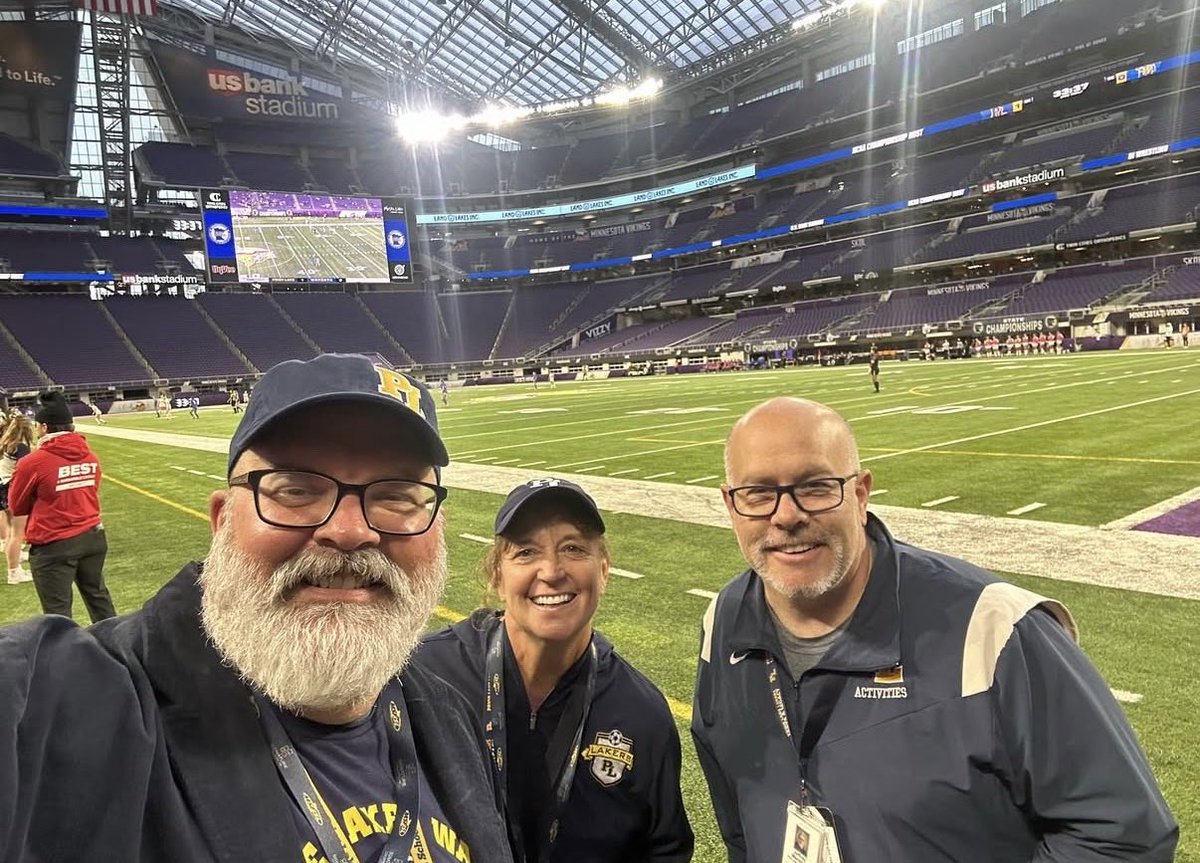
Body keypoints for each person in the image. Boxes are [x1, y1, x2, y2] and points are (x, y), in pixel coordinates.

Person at [0, 354, 514, 862]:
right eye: (295, 489)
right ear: (222, 521)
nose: (351, 531)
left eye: (399, 495)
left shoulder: (449, 716)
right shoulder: (66, 705)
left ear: (436, 527)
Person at [691, 396, 1178, 863]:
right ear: (731, 505)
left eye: (816, 486)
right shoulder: (724, 621)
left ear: (860, 494)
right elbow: (739, 822)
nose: (787, 514)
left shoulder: (995, 631)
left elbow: (1121, 834)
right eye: (758, 494)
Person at [419, 478, 693, 863]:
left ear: (604, 570)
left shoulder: (640, 712)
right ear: (498, 576)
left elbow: (663, 850)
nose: (551, 570)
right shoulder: (426, 676)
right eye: (526, 552)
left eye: (573, 548)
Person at [8, 391, 116, 620]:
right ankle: (116, 650)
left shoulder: (33, 462)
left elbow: (17, 505)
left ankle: (66, 655)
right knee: (100, 600)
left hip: (53, 543)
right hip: (93, 537)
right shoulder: (91, 457)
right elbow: (91, 489)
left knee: (58, 615)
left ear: (44, 427)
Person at [0, 413, 34, 585]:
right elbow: (24, 472)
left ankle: (16, 559)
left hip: (2, 483)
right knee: (17, 531)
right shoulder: (21, 447)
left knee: (14, 530)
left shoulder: (7, 443)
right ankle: (14, 573)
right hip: (7, 487)